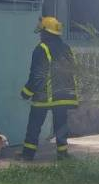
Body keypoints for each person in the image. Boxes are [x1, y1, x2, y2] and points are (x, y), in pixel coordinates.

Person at [19, 16, 79, 161]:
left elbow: (36, 75)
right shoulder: (66, 48)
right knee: (61, 126)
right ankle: (63, 154)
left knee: (34, 125)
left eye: (41, 32)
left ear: (46, 33)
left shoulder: (41, 49)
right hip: (64, 96)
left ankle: (27, 155)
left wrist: (26, 92)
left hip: (45, 96)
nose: (40, 35)